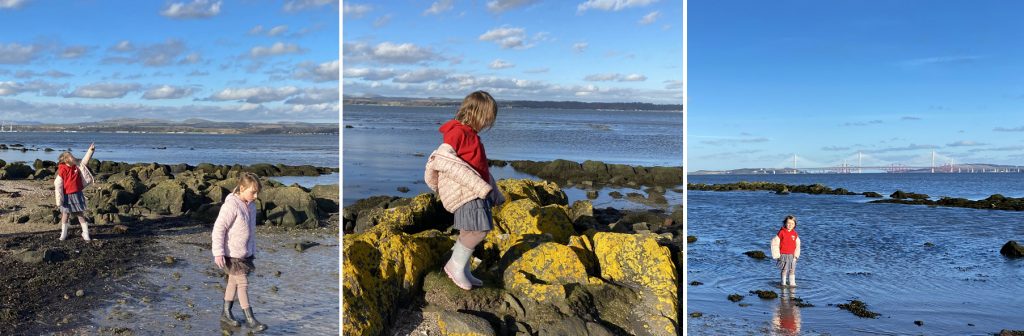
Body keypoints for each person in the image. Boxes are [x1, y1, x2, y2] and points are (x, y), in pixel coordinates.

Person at [424, 90, 506, 290]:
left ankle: (463, 268)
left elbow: (478, 169)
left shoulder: (471, 135)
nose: (487, 123)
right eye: (487, 118)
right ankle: (455, 266)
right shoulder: (458, 132)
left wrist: (493, 191)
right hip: (466, 192)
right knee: (479, 230)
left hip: (475, 190)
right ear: (475, 113)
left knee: (469, 231)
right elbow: (444, 159)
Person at [211, 172, 267, 331]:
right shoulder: (231, 205)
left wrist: (252, 250)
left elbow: (251, 231)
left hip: (245, 253)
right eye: (252, 192)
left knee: (233, 282)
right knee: (242, 283)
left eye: (257, 193)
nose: (255, 196)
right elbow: (218, 229)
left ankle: (225, 313)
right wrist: (218, 252)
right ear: (242, 188)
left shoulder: (252, 205)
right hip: (232, 254)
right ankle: (251, 320)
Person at [54, 143, 96, 241]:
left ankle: (85, 233)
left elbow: (85, 160)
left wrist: (91, 150)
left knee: (80, 214)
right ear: (66, 160)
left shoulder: (77, 166)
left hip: (77, 194)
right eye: (71, 156)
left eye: (72, 156)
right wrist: (59, 201)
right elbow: (58, 185)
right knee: (65, 215)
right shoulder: (62, 170)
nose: (73, 157)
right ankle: (63, 234)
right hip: (67, 196)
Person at [771, 215, 801, 287]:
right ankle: (783, 283)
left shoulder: (795, 234)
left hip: (792, 255)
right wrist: (777, 255)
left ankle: (792, 283)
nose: (790, 225)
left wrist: (796, 255)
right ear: (785, 223)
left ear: (794, 225)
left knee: (792, 270)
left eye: (792, 223)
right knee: (784, 270)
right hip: (783, 254)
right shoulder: (781, 232)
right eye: (788, 223)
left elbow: (798, 245)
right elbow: (774, 243)